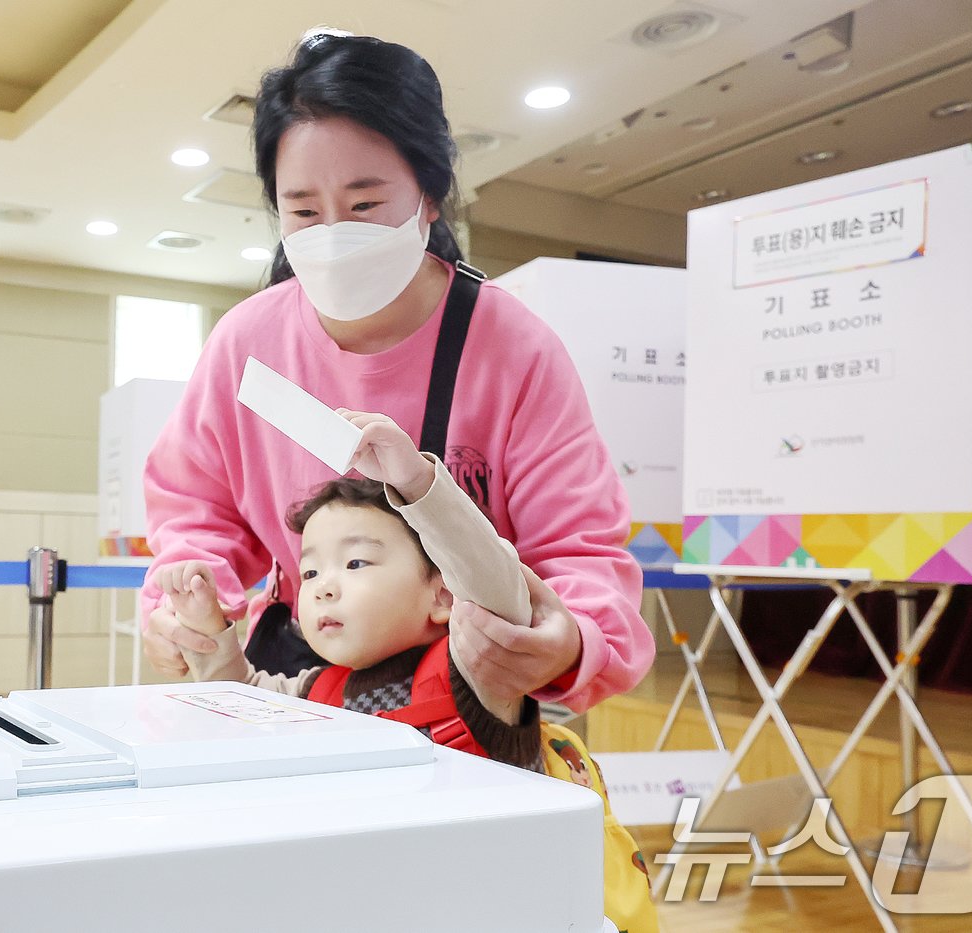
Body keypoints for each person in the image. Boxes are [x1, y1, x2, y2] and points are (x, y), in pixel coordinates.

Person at [141, 31, 652, 714]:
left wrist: (571, 639)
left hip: (470, 687)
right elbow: (196, 507)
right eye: (302, 211)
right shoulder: (247, 345)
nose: (331, 233)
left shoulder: (511, 348)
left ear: (429, 196)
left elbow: (578, 550)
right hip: (301, 677)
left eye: (363, 205)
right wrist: (186, 598)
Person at [158, 411, 659, 933]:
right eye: (310, 571)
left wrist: (418, 485)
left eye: (356, 564)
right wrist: (210, 634)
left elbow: (493, 583)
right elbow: (246, 705)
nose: (324, 586)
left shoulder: (476, 670)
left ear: (443, 593)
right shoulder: (316, 691)